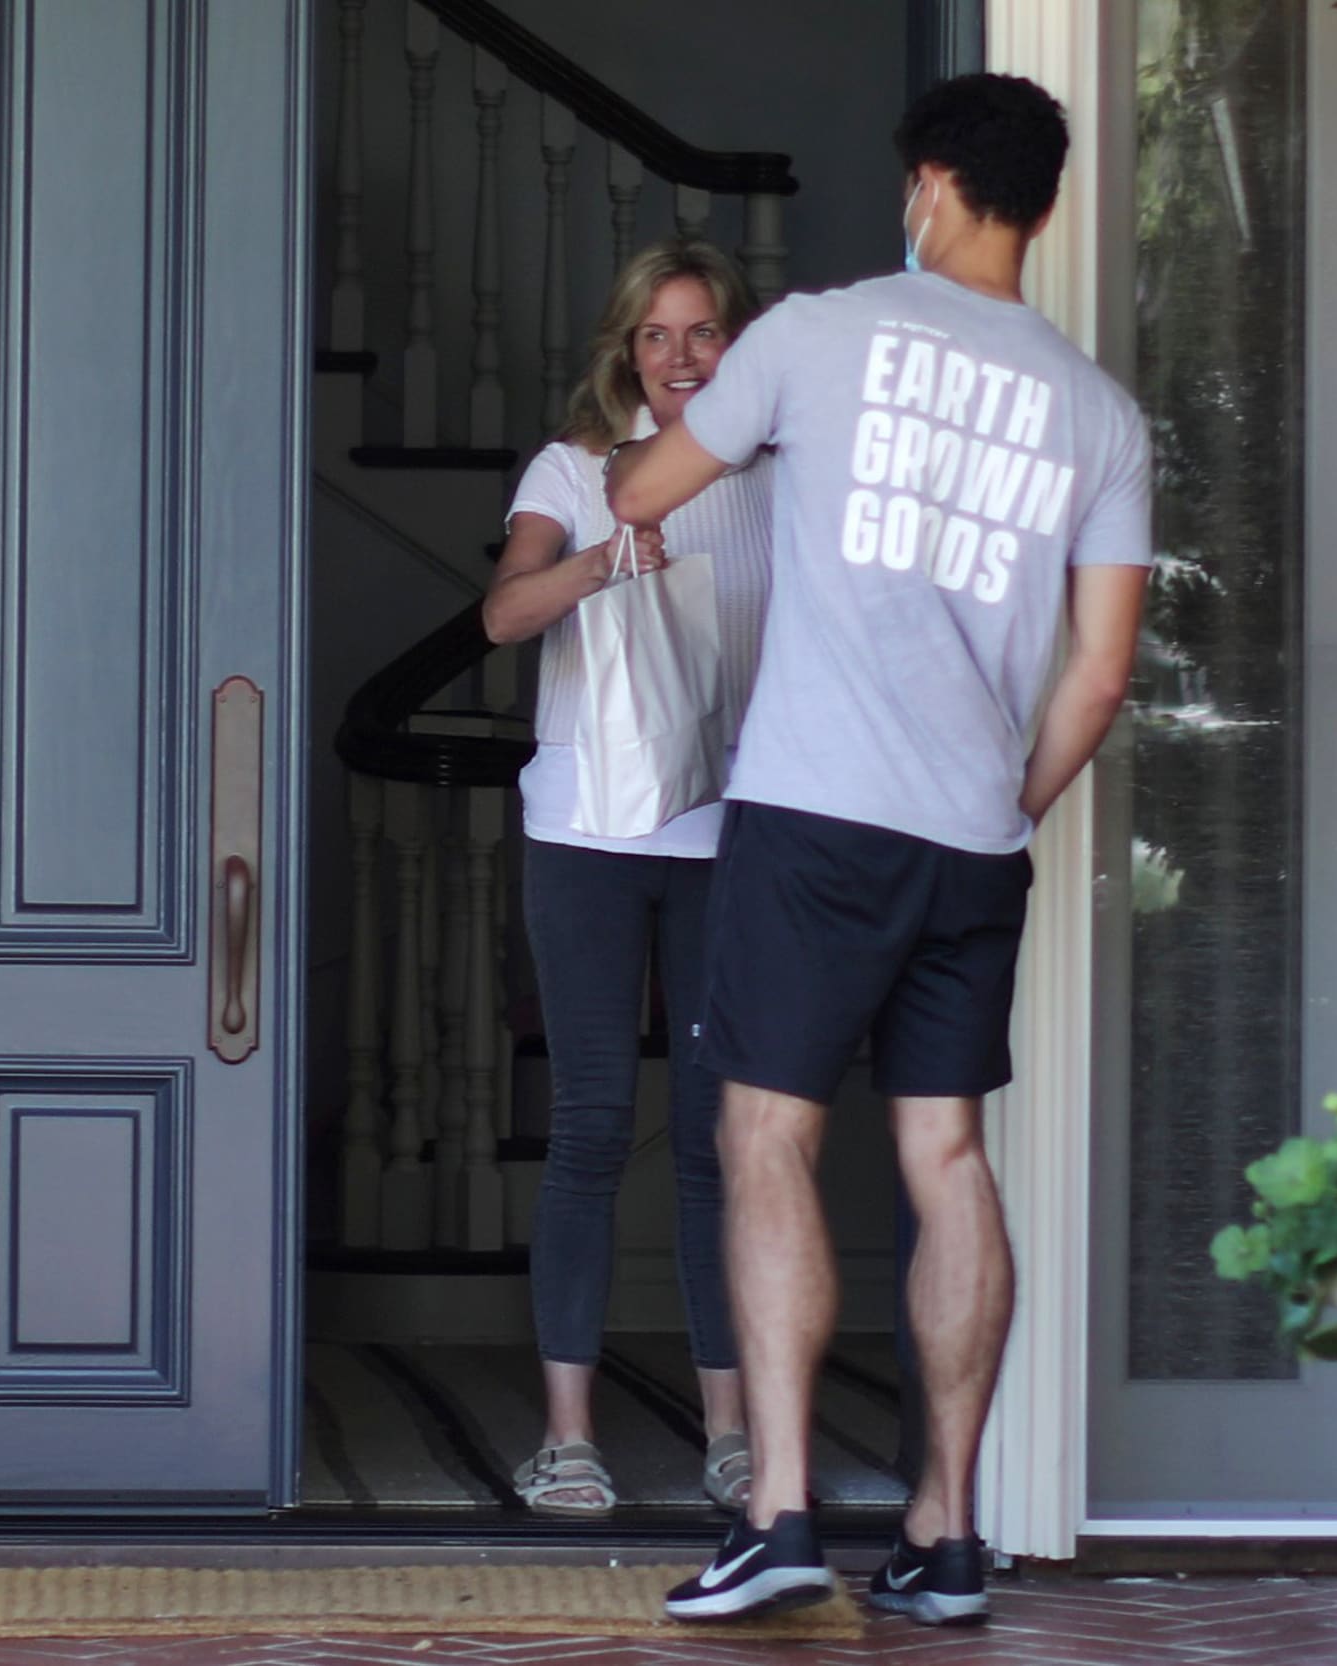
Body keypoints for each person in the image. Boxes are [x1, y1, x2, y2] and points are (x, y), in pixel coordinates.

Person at [606, 76, 1153, 1622]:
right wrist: (1005, 800)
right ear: (1036, 209)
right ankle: (948, 1532)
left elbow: (645, 484)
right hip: (971, 842)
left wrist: (660, 476)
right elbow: (1099, 671)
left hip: (816, 816)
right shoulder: (1098, 411)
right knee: (947, 1154)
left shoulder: (815, 334)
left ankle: (780, 1512)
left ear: (929, 186)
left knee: (764, 1135)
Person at [481, 240, 774, 1516]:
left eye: (702, 334)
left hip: (731, 836)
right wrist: (610, 551)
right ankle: (567, 1437)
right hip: (587, 841)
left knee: (722, 1139)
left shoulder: (777, 477)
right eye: (656, 336)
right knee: (592, 1128)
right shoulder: (573, 472)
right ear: (624, 350)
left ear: (736, 349)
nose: (678, 359)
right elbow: (501, 614)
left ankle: (734, 1434)